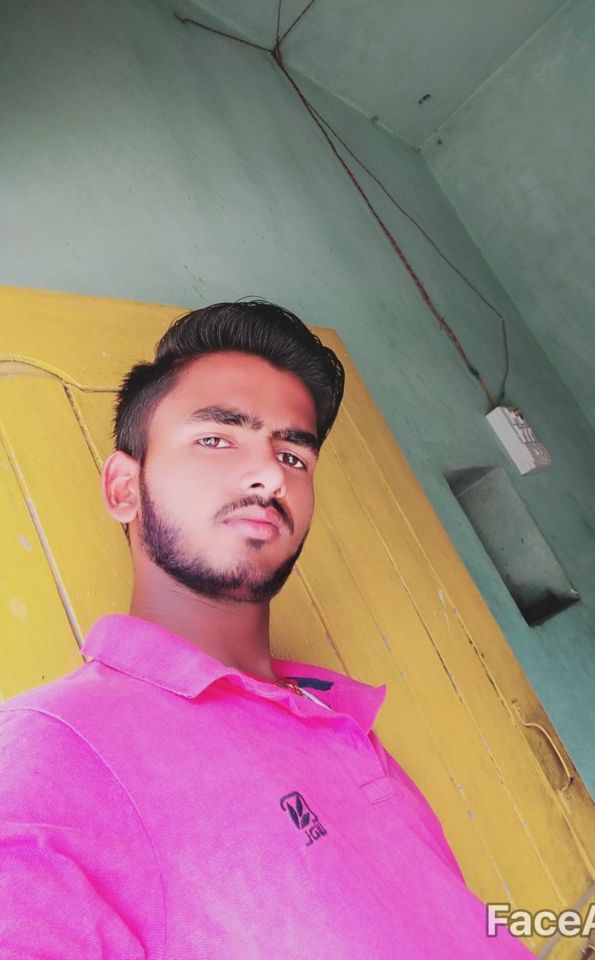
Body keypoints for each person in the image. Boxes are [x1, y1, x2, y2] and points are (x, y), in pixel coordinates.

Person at [0, 301, 533, 958]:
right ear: (124, 488)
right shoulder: (48, 753)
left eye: (292, 453)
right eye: (216, 439)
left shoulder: (333, 714)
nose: (270, 474)